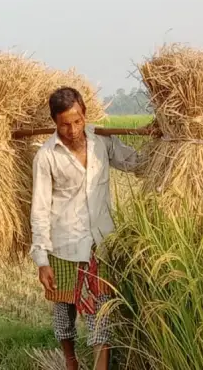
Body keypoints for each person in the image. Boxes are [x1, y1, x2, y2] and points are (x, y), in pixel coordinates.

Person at [30, 87, 143, 370]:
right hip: (64, 246)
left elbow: (135, 163)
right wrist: (41, 260)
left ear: (85, 114)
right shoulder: (46, 156)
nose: (73, 129)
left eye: (78, 120)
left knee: (100, 313)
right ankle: (71, 362)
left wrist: (164, 140)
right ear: (54, 122)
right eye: (65, 124)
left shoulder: (102, 142)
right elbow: (40, 209)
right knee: (63, 312)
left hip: (101, 243)